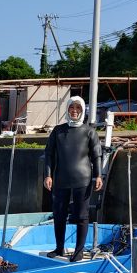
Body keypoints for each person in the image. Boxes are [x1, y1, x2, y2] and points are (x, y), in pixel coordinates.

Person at [43, 96, 103, 262]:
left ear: (83, 110)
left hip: (82, 179)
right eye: (71, 107)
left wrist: (98, 175)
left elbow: (97, 155)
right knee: (59, 214)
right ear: (67, 109)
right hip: (61, 178)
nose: (74, 111)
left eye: (78, 108)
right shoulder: (58, 131)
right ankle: (59, 247)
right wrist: (48, 175)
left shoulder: (89, 131)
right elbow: (49, 154)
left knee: (82, 215)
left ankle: (79, 250)